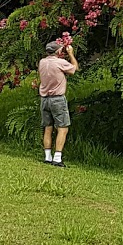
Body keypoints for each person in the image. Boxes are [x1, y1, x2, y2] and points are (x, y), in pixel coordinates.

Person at [37, 37, 78, 166]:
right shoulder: (60, 62)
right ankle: (57, 158)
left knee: (48, 128)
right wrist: (71, 53)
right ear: (58, 50)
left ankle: (47, 157)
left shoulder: (42, 62)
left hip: (44, 100)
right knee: (62, 128)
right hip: (57, 99)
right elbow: (74, 69)